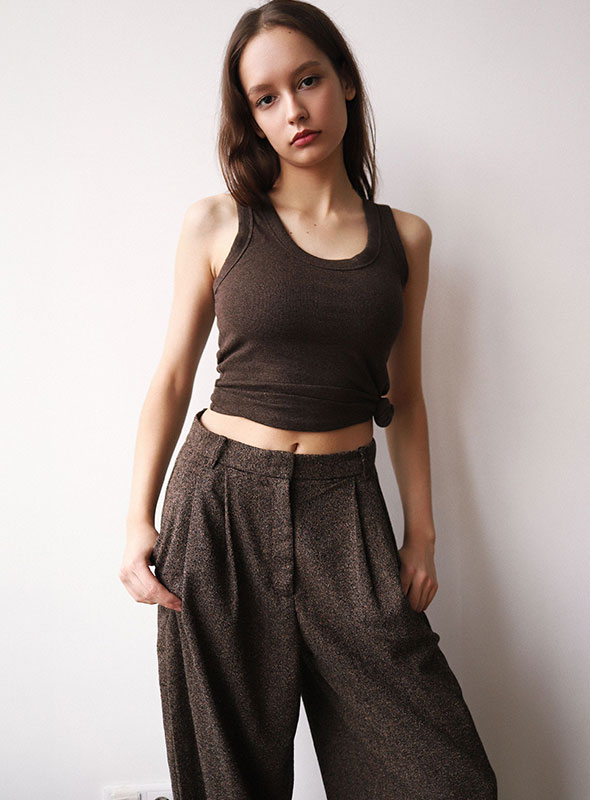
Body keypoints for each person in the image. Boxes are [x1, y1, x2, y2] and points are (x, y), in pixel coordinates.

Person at [119, 1, 498, 797]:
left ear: (345, 82)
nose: (293, 110)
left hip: (344, 510)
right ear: (252, 118)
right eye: (266, 98)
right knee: (230, 779)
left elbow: (407, 399)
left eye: (308, 81)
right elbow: (172, 378)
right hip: (218, 510)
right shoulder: (218, 222)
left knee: (445, 779)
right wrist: (136, 520)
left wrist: (422, 533)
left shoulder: (406, 239)